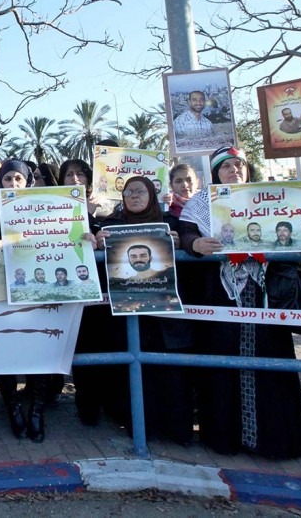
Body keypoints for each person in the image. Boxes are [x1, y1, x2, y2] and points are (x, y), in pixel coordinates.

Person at [177, 146, 301, 459]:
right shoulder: (201, 204)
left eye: (239, 165)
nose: (233, 170)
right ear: (215, 173)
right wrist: (195, 243)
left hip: (266, 295)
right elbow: (185, 233)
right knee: (222, 366)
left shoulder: (274, 199)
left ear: (248, 170)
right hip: (222, 297)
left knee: (271, 365)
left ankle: (273, 443)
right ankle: (226, 439)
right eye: (225, 167)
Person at [91, 175, 192, 443]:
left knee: (166, 371)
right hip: (126, 313)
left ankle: (174, 428)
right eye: (129, 193)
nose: (134, 197)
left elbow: (189, 247)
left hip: (162, 315)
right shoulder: (111, 225)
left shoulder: (169, 223)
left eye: (140, 192)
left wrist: (179, 243)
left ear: (151, 195)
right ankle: (135, 424)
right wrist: (99, 243)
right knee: (130, 370)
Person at [0, 159, 53, 443]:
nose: (13, 184)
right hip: (1, 291)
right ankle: (13, 408)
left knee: (39, 348)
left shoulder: (44, 206)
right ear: (0, 182)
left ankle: (37, 411)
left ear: (28, 182)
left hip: (39, 289)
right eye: (8, 179)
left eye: (19, 179)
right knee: (6, 348)